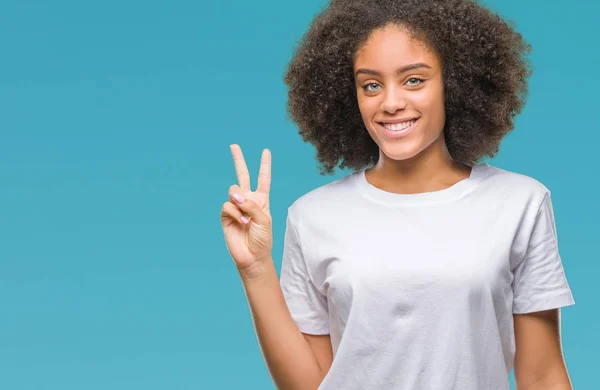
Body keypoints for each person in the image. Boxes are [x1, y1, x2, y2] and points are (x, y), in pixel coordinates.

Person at [220, 0, 576, 388]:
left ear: (453, 83)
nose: (390, 103)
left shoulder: (519, 203)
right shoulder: (312, 216)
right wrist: (255, 269)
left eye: (414, 80)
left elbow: (542, 378)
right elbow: (308, 385)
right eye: (371, 85)